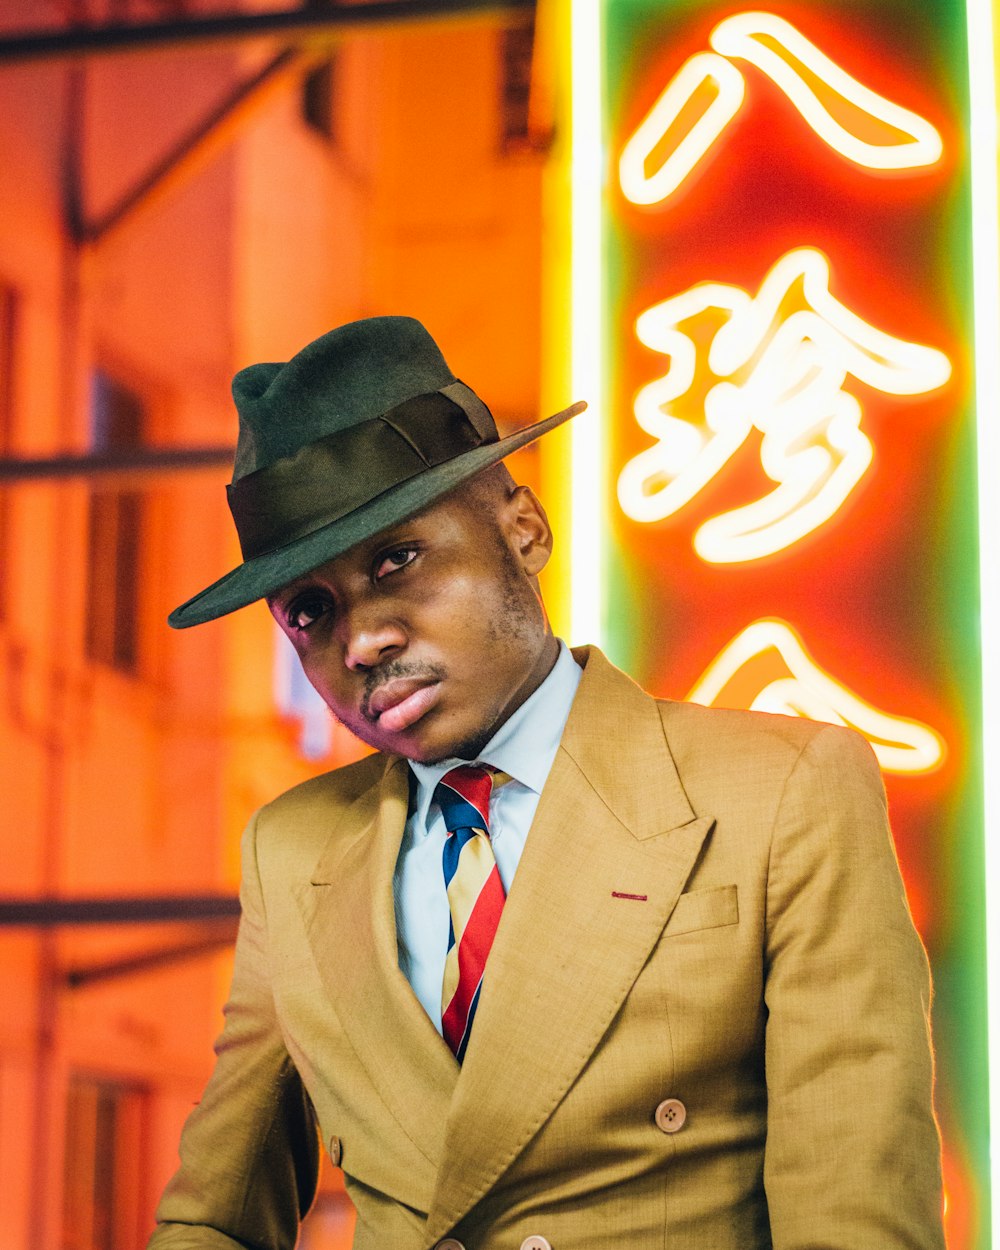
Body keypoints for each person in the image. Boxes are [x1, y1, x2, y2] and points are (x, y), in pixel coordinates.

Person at [150, 316, 944, 1250]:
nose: (361, 642)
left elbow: (855, 1223)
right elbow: (215, 1216)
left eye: (396, 560)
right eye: (311, 611)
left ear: (523, 529)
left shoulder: (785, 792)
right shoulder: (291, 850)